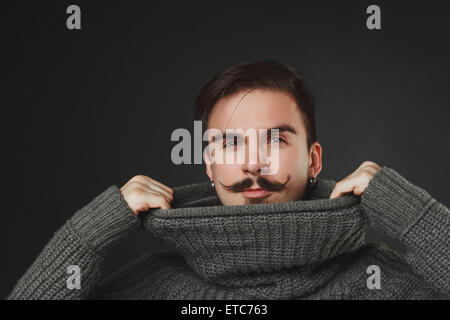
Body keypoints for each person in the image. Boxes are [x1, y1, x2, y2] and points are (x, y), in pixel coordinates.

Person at [8, 60, 449, 300]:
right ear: (209, 164)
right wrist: (87, 237)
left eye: (275, 139)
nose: (252, 164)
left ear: (313, 160)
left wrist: (406, 208)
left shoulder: (376, 280)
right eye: (231, 143)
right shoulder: (157, 285)